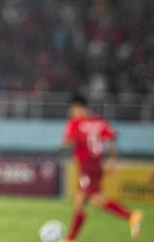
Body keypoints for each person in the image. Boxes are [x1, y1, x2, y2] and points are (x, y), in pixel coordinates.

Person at [60, 93, 144, 242]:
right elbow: (111, 138)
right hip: (97, 165)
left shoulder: (76, 123)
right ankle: (70, 238)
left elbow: (68, 141)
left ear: (78, 107)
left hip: (86, 166)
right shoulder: (99, 121)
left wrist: (64, 143)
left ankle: (131, 216)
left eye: (72, 109)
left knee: (96, 200)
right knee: (80, 200)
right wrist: (112, 160)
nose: (72, 112)